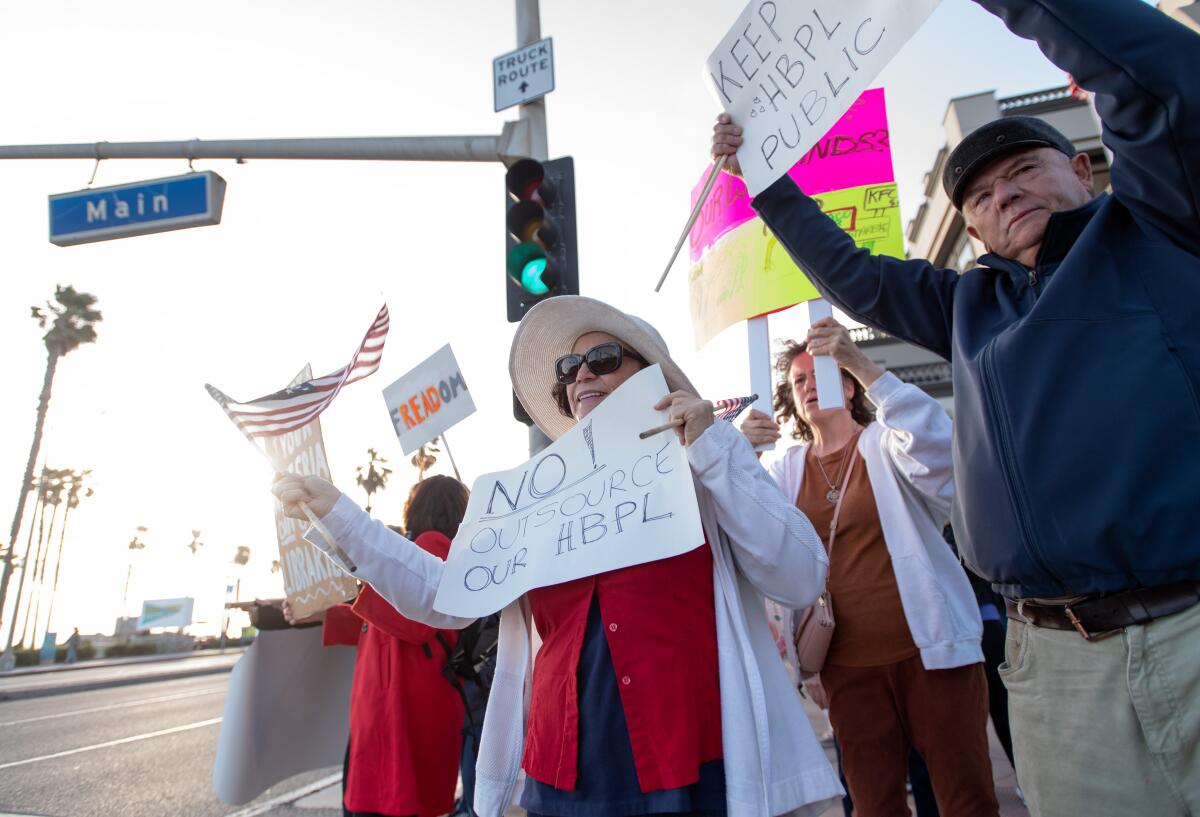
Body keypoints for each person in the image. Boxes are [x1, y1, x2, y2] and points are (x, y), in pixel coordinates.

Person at [711, 2, 1200, 814]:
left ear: (1085, 167)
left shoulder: (1158, 225)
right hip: (1057, 667)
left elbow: (1156, 82)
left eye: (1024, 172)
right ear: (968, 228)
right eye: (980, 194)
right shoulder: (964, 305)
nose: (1003, 195)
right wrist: (758, 175)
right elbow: (852, 272)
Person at [274, 295, 844, 817]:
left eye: (602, 357)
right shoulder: (531, 499)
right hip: (566, 774)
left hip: (691, 762)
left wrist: (715, 449)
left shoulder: (707, 466)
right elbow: (446, 596)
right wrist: (340, 516)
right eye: (569, 370)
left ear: (654, 377)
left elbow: (798, 575)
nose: (582, 375)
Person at [741, 319, 995, 817]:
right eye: (798, 381)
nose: (809, 385)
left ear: (850, 384)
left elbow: (942, 455)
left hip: (933, 655)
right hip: (846, 668)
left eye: (823, 372)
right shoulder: (787, 470)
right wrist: (740, 452)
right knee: (874, 804)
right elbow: (754, 538)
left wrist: (862, 360)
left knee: (967, 801)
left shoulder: (886, 441)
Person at [286, 475, 468, 817]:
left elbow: (412, 623)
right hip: (400, 702)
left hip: (399, 705)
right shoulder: (436, 551)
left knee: (388, 801)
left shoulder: (432, 545)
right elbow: (375, 620)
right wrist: (321, 613)